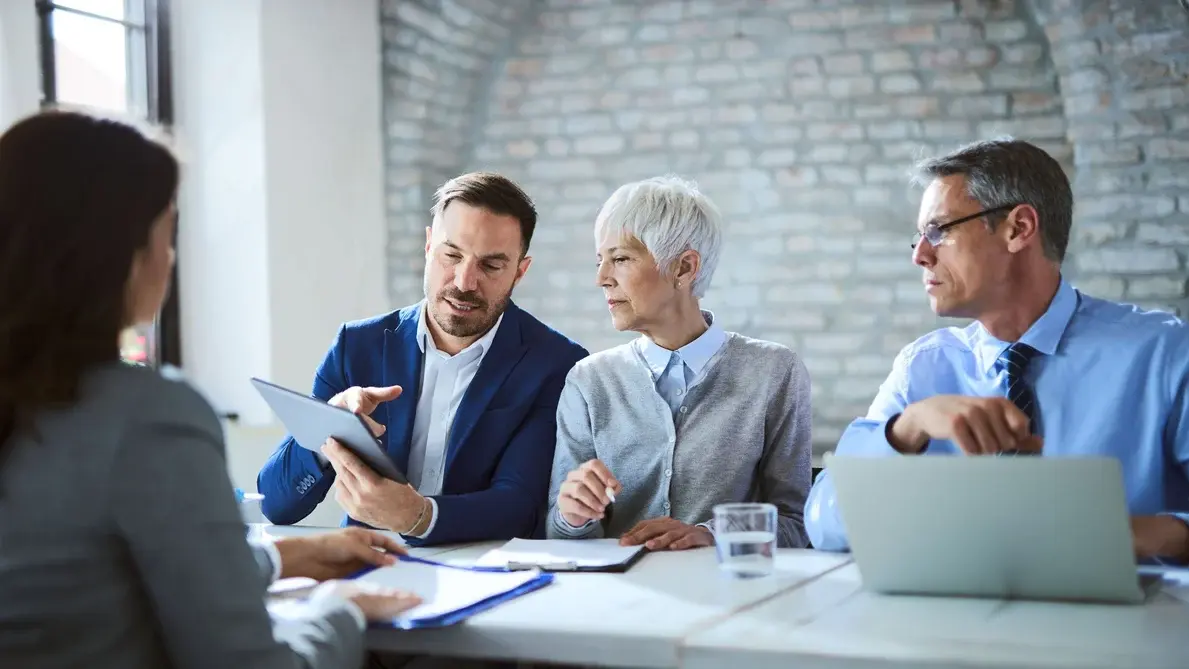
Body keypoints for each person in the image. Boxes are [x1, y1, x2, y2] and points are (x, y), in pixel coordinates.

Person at [0, 111, 420, 669]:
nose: (170, 259)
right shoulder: (148, 417)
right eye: (167, 234)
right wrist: (338, 611)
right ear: (123, 256)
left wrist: (291, 556)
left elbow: (91, 566)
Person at [804, 138, 1189, 564]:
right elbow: (824, 525)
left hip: (1126, 620)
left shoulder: (1167, 354)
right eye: (918, 237)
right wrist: (908, 428)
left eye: (938, 230)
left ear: (1019, 228)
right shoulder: (922, 369)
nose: (920, 255)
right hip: (949, 619)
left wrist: (1121, 534)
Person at [258, 172, 588, 546]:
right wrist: (328, 427)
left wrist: (418, 517)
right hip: (370, 569)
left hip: (485, 578)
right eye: (452, 255)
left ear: (520, 271)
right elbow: (276, 504)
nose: (464, 281)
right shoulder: (357, 345)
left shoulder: (558, 365)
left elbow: (519, 504)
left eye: (491, 266)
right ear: (429, 246)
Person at [547, 175, 813, 551]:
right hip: (617, 599)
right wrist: (571, 518)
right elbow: (558, 538)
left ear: (685, 268)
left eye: (620, 259)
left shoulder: (774, 372)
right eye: (599, 261)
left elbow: (798, 524)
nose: (601, 279)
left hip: (732, 596)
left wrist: (713, 534)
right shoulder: (589, 381)